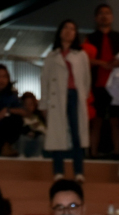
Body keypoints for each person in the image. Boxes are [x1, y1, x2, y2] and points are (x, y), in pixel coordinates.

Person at [42, 21, 91, 179]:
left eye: (73, 29)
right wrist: (44, 105)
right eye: (66, 28)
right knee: (57, 134)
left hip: (75, 96)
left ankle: (79, 172)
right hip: (57, 98)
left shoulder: (81, 55)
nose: (69, 31)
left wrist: (82, 96)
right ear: (60, 32)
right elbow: (45, 81)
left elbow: (86, 80)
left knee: (77, 135)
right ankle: (58, 171)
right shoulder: (51, 56)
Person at [85, 5, 119, 156]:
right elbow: (84, 59)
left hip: (116, 85)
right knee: (95, 121)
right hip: (96, 84)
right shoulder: (90, 38)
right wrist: (102, 63)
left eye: (107, 13)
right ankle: (93, 152)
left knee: (115, 121)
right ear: (96, 18)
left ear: (112, 17)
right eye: (101, 13)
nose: (104, 16)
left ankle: (117, 152)